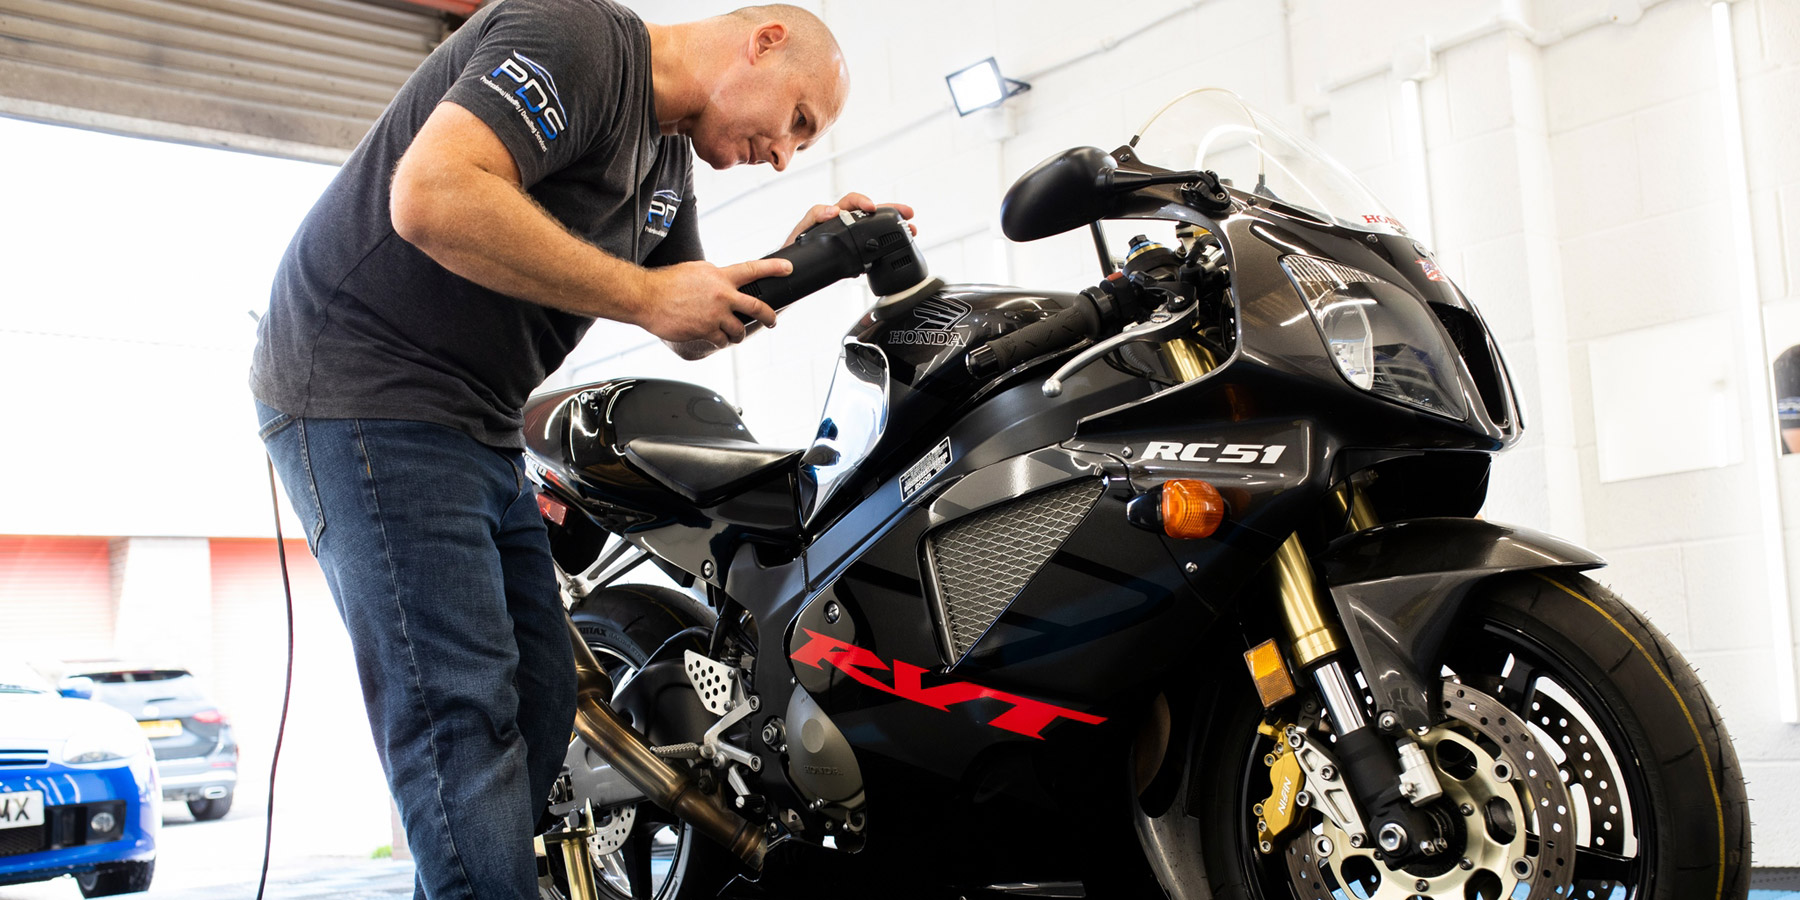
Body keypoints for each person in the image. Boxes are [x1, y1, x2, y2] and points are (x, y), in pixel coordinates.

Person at [249, 2, 909, 897]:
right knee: (460, 713)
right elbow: (432, 193)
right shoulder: (578, 41)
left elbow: (687, 317)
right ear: (763, 43)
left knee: (542, 696)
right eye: (796, 120)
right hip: (365, 392)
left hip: (475, 420)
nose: (787, 153)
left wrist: (805, 260)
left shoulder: (666, 158)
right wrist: (644, 295)